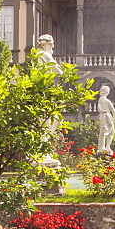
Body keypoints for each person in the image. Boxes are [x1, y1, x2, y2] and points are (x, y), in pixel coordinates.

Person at [34, 34, 65, 166]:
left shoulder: (36, 56)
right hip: (45, 91)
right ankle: (43, 154)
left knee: (45, 122)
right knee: (51, 120)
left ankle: (42, 152)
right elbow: (59, 72)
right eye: (51, 43)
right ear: (44, 44)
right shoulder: (45, 55)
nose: (53, 46)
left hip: (39, 90)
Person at [97, 85, 115, 154]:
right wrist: (114, 118)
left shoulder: (100, 100)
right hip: (107, 117)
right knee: (110, 131)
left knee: (103, 132)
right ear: (107, 92)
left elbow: (99, 108)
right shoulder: (107, 101)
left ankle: (102, 147)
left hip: (103, 116)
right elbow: (113, 111)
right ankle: (106, 147)